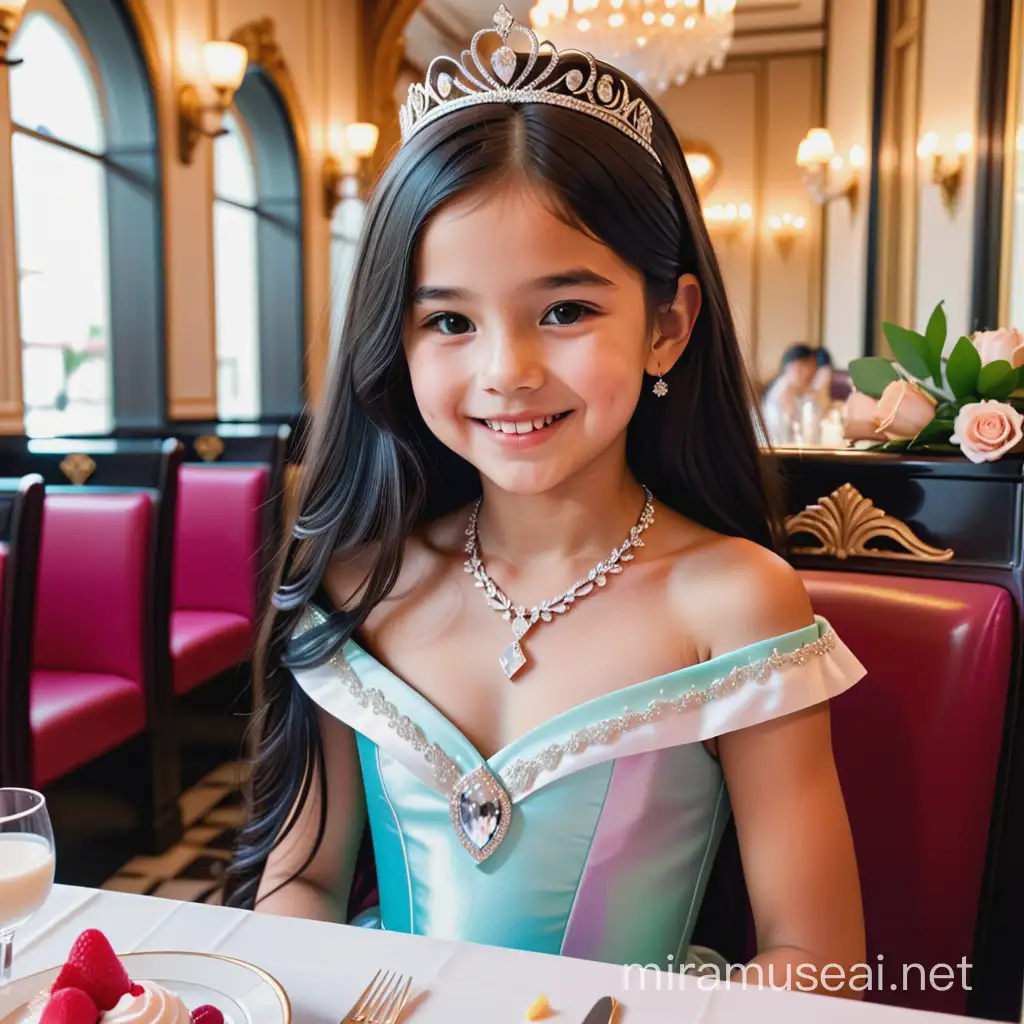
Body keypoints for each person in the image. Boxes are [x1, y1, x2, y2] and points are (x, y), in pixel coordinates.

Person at [224, 6, 866, 996]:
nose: (506, 370)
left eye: (564, 310)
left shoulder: (734, 599)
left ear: (666, 324)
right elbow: (303, 876)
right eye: (448, 319)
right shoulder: (360, 578)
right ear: (394, 341)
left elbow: (814, 957)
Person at [762, 344, 828, 445]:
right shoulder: (781, 391)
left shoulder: (803, 390)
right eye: (812, 366)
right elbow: (788, 433)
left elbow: (822, 413)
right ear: (796, 367)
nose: (815, 372)